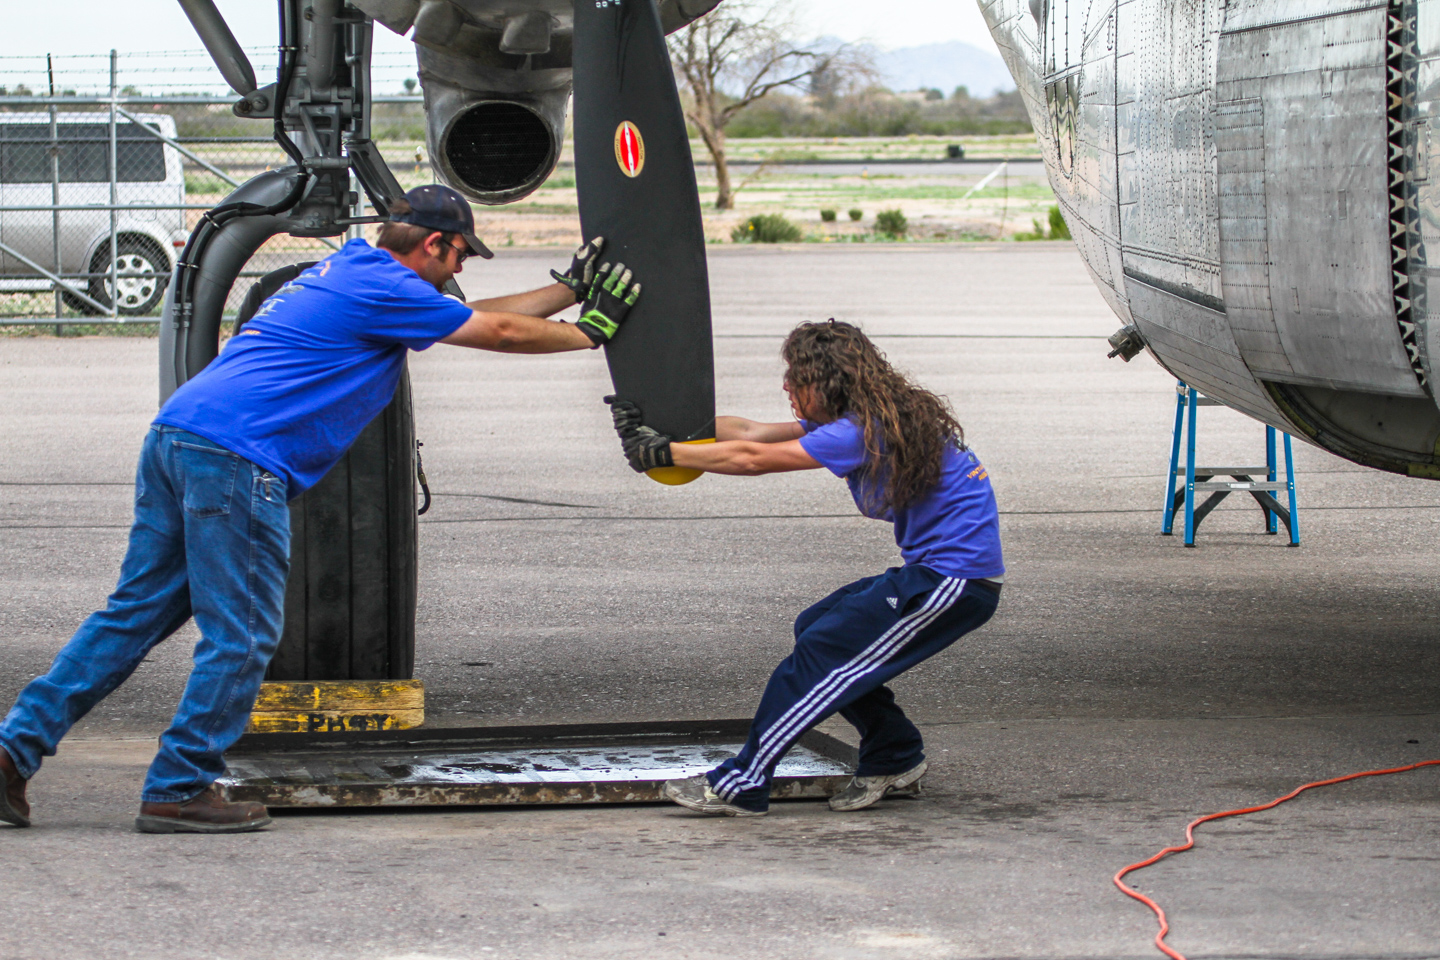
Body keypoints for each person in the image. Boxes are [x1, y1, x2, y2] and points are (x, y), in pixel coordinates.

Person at [0, 184, 641, 834]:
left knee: (129, 618)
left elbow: (473, 315)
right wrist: (587, 334)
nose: (460, 269)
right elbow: (497, 332)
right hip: (236, 457)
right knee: (243, 635)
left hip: (179, 436)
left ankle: (9, 753)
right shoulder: (385, 288)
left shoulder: (354, 270)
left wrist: (567, 292)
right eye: (459, 256)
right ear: (433, 243)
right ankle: (179, 786)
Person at [607, 319, 1003, 817]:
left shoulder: (863, 429)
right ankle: (894, 754)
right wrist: (665, 423)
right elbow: (747, 431)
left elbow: (753, 458)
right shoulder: (869, 417)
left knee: (823, 651)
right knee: (815, 628)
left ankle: (744, 780)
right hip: (937, 573)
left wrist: (662, 453)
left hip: (953, 584)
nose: (787, 387)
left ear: (826, 381)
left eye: (796, 377)